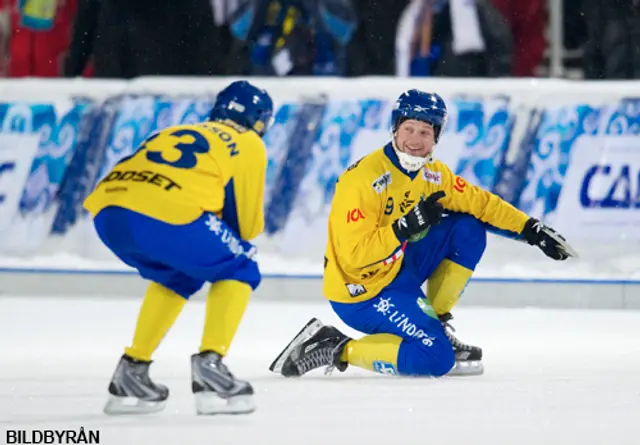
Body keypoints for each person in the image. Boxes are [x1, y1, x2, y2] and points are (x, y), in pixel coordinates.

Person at [269, 89, 574, 379]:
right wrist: (402, 228)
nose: (414, 141)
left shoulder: (433, 173)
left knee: (467, 228)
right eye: (409, 129)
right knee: (437, 359)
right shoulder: (363, 180)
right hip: (362, 291)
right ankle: (333, 346)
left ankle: (435, 324)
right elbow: (354, 257)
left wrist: (530, 229)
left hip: (398, 266)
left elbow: (480, 204)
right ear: (394, 129)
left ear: (437, 137)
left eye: (425, 132)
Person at [83, 80, 274, 415]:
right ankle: (211, 366)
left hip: (108, 212)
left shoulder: (177, 128)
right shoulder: (248, 142)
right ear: (259, 121)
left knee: (178, 275)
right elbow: (246, 226)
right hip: (164, 213)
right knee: (241, 265)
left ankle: (133, 368)